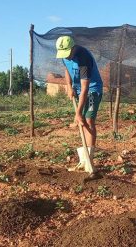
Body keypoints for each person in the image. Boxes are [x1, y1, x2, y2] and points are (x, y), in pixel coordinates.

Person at [56, 36, 103, 171]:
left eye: (68, 54)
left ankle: (89, 160)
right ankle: (84, 160)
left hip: (92, 90)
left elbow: (85, 88)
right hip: (78, 89)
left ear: (73, 48)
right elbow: (66, 69)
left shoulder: (84, 59)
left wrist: (78, 113)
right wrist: (69, 86)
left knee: (87, 120)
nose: (67, 57)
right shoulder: (65, 56)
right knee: (82, 123)